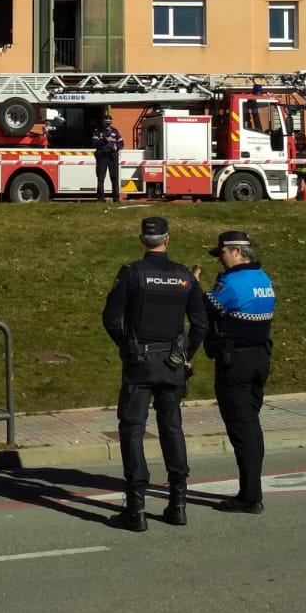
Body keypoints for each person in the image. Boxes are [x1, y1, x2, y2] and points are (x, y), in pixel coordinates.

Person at [101, 216, 208, 531]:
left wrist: (125, 346)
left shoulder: (132, 274)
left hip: (140, 362)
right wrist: (186, 354)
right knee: (172, 428)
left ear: (141, 240)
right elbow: (200, 323)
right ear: (168, 239)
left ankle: (136, 509)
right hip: (173, 363)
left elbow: (110, 318)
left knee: (132, 430)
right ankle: (178, 504)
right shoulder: (185, 276)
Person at [202, 230, 276, 514]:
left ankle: (249, 497)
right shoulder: (263, 279)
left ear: (237, 251)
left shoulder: (232, 283)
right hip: (260, 358)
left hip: (236, 363)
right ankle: (251, 490)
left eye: (221, 253)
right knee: (251, 427)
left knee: (241, 429)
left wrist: (191, 286)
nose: (219, 259)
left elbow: (204, 309)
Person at [93, 114, 125, 203]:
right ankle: (100, 198)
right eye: (106, 123)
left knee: (114, 177)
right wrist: (104, 140)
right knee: (101, 177)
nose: (107, 125)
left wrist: (117, 147)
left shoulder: (115, 131)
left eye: (109, 123)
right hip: (102, 156)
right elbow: (94, 143)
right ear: (103, 122)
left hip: (112, 156)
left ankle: (116, 198)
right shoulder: (98, 131)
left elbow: (121, 143)